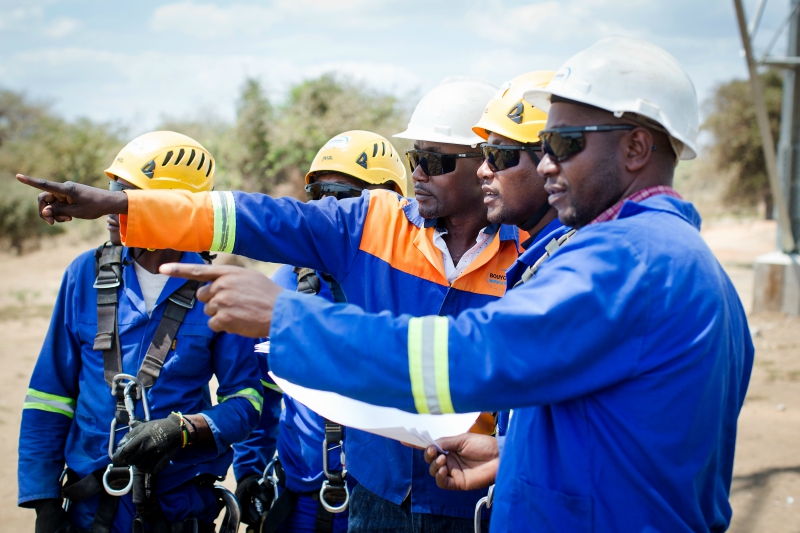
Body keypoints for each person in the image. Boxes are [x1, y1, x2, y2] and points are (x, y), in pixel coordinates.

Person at [158, 37, 753, 532]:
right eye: (540, 148)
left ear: (636, 147)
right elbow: (617, 443)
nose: (545, 164)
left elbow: (472, 358)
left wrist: (287, 319)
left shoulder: (627, 261)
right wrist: (512, 456)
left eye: (564, 144)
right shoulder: (685, 260)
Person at [20, 77, 517, 532]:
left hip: (475, 499)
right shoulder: (373, 223)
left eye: (435, 161)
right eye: (415, 158)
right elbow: (255, 216)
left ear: (487, 165)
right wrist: (122, 205)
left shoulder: (532, 255)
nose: (418, 173)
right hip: (378, 495)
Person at [17, 132, 273, 533]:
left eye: (126, 197)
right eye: (112, 190)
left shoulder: (220, 288)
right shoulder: (84, 275)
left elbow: (246, 399)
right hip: (90, 508)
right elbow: (49, 396)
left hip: (179, 510)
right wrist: (43, 501)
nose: (109, 205)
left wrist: (184, 430)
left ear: (173, 208)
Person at [232, 130, 407, 533]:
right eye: (318, 195)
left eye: (343, 199)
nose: (328, 213)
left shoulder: (402, 286)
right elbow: (263, 387)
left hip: (384, 499)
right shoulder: (288, 283)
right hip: (301, 500)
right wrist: (249, 470)